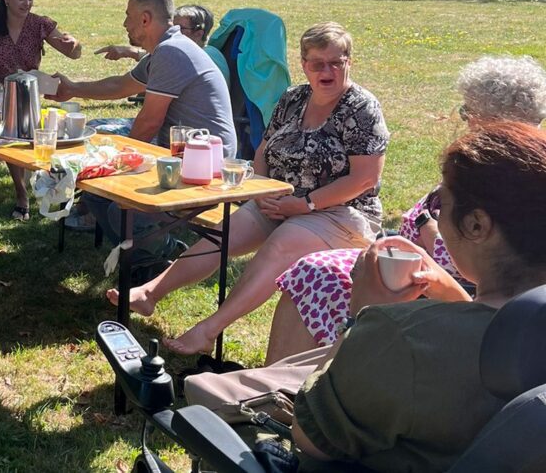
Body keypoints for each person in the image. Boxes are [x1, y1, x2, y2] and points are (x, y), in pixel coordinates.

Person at [108, 22, 389, 356]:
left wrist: (304, 205)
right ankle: (150, 293)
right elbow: (263, 151)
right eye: (317, 63)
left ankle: (207, 330)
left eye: (335, 62)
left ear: (348, 62)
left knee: (280, 247)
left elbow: (364, 179)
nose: (326, 71)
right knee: (222, 234)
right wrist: (263, 190)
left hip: (340, 213)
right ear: (304, 65)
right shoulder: (293, 98)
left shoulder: (361, 108)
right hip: (278, 201)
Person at [288, 122, 546, 470]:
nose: (434, 213)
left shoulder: (403, 337)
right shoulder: (521, 335)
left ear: (475, 225)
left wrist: (359, 317)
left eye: (438, 202)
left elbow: (311, 437)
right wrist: (458, 298)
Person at [266, 54, 546, 362]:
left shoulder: (507, 175)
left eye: (468, 110)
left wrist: (429, 232)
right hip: (427, 270)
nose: (464, 119)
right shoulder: (497, 162)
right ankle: (283, 383)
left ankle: (296, 387)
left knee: (319, 275)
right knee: (316, 270)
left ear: (490, 117)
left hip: (434, 285)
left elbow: (492, 273)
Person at [54, 0, 234, 152]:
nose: (125, 24)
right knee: (97, 134)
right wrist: (72, 88)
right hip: (188, 149)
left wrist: (119, 163)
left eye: (128, 16)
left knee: (96, 147)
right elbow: (120, 86)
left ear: (145, 19)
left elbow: (150, 122)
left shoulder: (171, 52)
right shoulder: (167, 48)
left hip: (207, 157)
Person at [0, 0, 83, 220]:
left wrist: (74, 44)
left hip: (30, 98)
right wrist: (6, 87)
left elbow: (74, 53)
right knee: (9, 124)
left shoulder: (40, 24)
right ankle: (21, 193)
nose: (27, 4)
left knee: (13, 124)